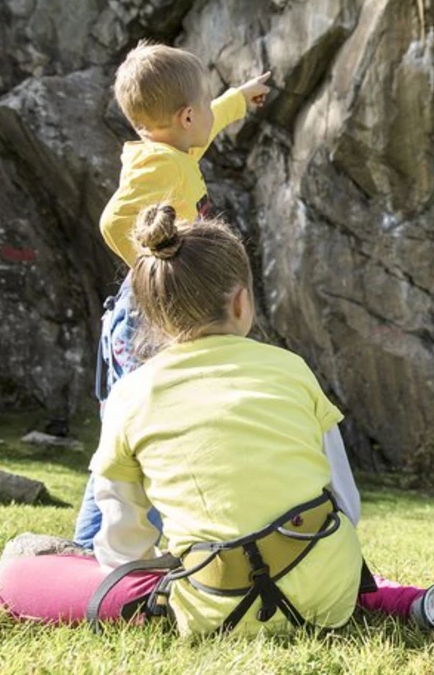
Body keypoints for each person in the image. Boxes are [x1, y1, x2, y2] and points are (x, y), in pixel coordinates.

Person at [0, 206, 434, 635]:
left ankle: (378, 596)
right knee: (328, 558)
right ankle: (406, 599)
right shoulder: (291, 369)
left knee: (19, 574)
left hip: (211, 605)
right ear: (240, 302)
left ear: (154, 317)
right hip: (326, 591)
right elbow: (345, 504)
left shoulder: (131, 392)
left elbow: (121, 541)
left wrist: (149, 567)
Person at [73, 40, 271, 548]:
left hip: (156, 314)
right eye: (204, 106)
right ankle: (96, 543)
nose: (208, 114)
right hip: (148, 319)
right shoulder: (161, 166)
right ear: (186, 116)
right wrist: (152, 267)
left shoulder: (172, 150)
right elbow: (114, 221)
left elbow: (203, 128)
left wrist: (236, 99)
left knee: (136, 428)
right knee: (141, 431)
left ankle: (104, 541)